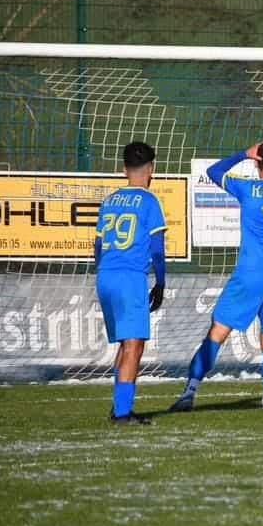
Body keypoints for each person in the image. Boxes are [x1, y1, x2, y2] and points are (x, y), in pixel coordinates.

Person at [169, 141, 263, 413]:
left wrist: (242, 154)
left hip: (248, 275)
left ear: (256, 161)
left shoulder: (247, 188)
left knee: (217, 333)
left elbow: (214, 171)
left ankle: (190, 391)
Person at [94, 141, 167, 425]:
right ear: (151, 169)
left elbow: (98, 245)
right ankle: (122, 413)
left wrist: (104, 271)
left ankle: (119, 407)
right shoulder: (149, 201)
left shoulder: (110, 201)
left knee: (126, 344)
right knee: (134, 345)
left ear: (124, 169)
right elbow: (157, 248)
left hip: (106, 276)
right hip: (130, 277)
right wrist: (160, 282)